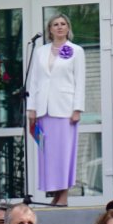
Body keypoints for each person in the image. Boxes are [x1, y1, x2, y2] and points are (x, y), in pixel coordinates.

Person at [26, 14, 85, 206]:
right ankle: (55, 193)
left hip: (65, 111)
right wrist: (31, 109)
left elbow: (80, 82)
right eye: (55, 24)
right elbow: (34, 81)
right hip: (43, 111)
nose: (59, 27)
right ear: (50, 29)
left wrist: (77, 109)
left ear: (68, 27)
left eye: (63, 24)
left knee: (64, 154)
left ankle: (64, 195)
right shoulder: (40, 51)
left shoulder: (76, 51)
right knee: (48, 154)